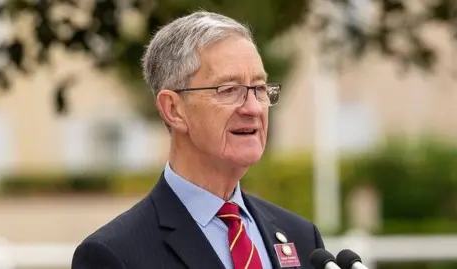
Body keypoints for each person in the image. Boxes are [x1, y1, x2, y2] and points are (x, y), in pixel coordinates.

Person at [71, 11, 325, 269]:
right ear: (173, 109)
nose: (253, 109)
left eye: (258, 88)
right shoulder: (114, 255)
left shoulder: (302, 238)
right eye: (229, 90)